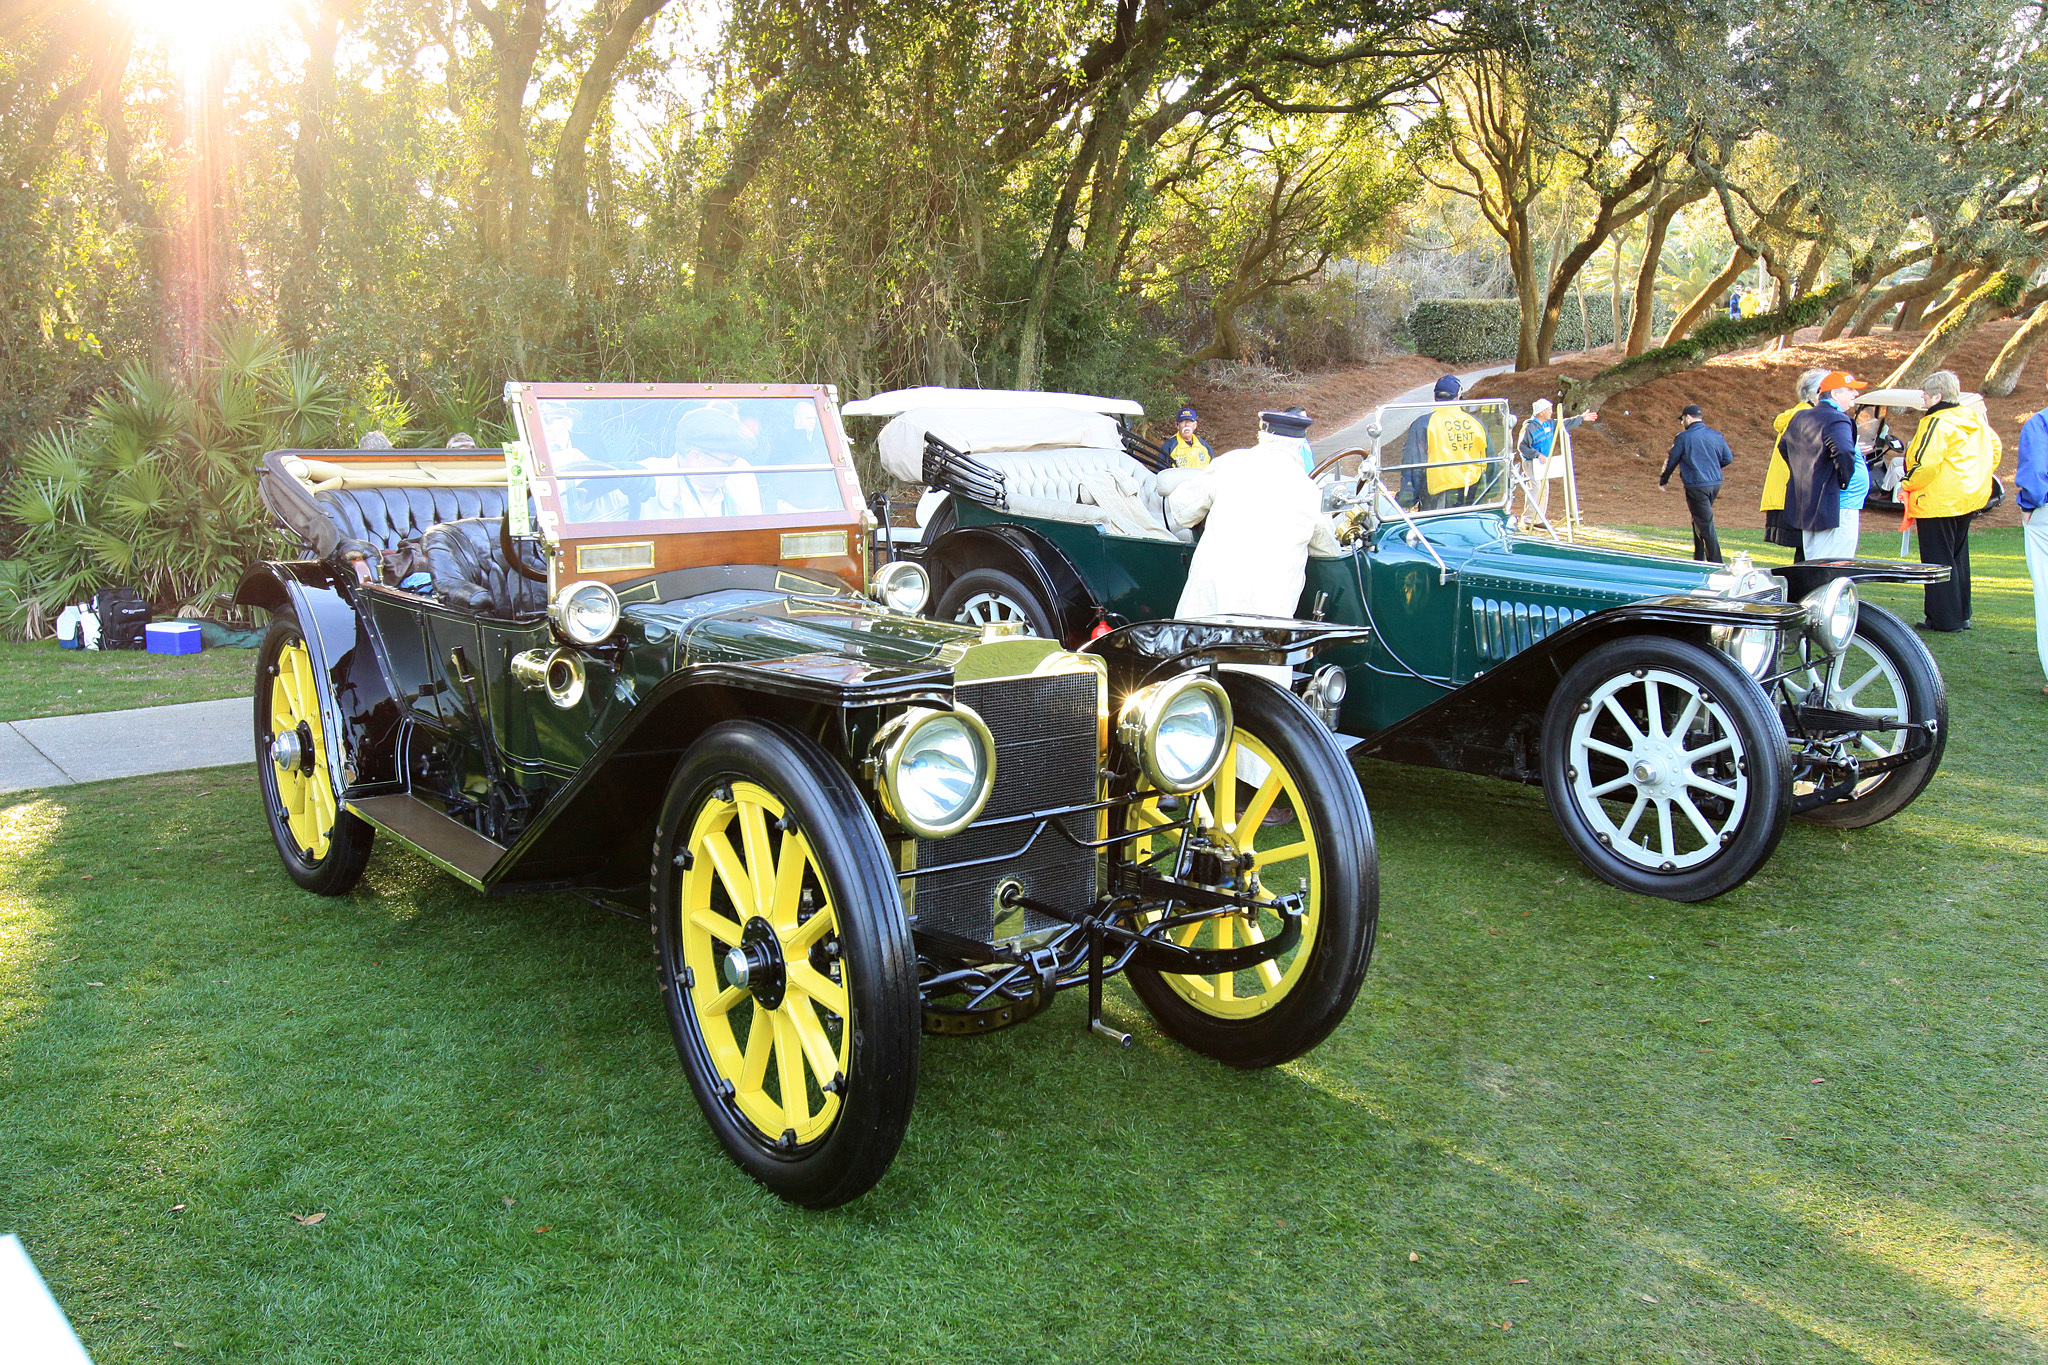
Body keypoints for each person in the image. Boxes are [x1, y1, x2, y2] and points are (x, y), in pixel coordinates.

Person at [1900, 369, 1999, 631]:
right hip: (1967, 497)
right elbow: (1994, 449)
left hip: (1938, 500)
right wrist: (1977, 477)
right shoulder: (1974, 418)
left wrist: (1908, 482)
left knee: (1937, 560)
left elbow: (1926, 460)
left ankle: (1943, 618)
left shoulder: (1935, 422)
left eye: (1926, 394)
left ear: (1938, 396)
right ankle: (1961, 613)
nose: (1923, 399)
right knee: (1957, 556)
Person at [1779, 371, 1866, 560]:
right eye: (1850, 390)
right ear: (1835, 394)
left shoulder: (1801, 416)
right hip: (1836, 504)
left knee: (1814, 559)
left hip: (1811, 500)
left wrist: (1807, 473)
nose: (1855, 394)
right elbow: (1843, 451)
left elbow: (1785, 448)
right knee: (1832, 564)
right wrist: (1843, 480)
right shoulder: (1837, 418)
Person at [640, 406, 762, 519]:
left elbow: (757, 534)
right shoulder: (646, 476)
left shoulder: (742, 474)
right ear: (695, 458)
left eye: (734, 459)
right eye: (727, 462)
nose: (734, 467)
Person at [1762, 368, 1826, 561]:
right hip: (1796, 493)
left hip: (1790, 491)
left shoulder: (1798, 414)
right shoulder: (1807, 417)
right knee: (1808, 551)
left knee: (1806, 552)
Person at [1400, 375, 1491, 508]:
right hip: (1472, 490)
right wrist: (1490, 491)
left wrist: (1406, 500)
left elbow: (1413, 466)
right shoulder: (1476, 423)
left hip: (1436, 495)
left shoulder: (1424, 424)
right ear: (1459, 396)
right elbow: (1491, 460)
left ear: (1435, 396)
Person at [1660, 403, 1734, 562]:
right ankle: (1698, 558)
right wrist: (1711, 467)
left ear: (1687, 417)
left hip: (1696, 485)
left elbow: (1673, 459)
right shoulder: (1716, 435)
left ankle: (1716, 563)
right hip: (1714, 483)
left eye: (1682, 419)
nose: (1682, 423)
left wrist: (1664, 479)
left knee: (1705, 524)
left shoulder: (1683, 437)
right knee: (1699, 519)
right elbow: (1728, 458)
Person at [1515, 398, 1598, 527]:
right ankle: (1528, 519)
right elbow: (1522, 446)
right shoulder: (1529, 427)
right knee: (1536, 489)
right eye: (1548, 410)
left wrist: (1581, 418)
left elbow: (1564, 423)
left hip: (1543, 463)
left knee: (1544, 489)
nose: (1551, 412)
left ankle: (1538, 518)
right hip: (1532, 463)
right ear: (1541, 412)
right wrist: (1536, 454)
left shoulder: (1549, 424)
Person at [2018, 375, 2048, 692]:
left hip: (2046, 512)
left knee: (2046, 590)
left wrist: (2030, 503)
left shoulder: (2040, 422)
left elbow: (2035, 472)